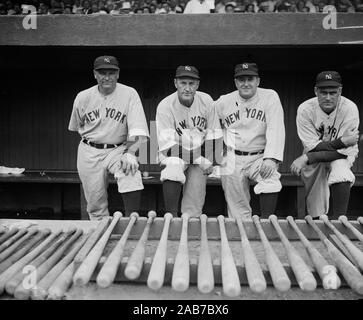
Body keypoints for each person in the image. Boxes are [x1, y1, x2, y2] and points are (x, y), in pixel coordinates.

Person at [68, 56, 149, 220]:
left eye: (111, 72)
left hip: (117, 149)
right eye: (102, 72)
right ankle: (99, 232)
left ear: (118, 74)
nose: (107, 77)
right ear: (94, 74)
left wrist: (130, 152)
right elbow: (76, 126)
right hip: (89, 150)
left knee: (131, 173)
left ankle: (131, 222)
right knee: (95, 202)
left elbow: (138, 127)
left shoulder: (129, 93)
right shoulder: (83, 97)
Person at [214, 63, 285, 220]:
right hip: (233, 157)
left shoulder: (270, 96)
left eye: (250, 79)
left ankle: (267, 223)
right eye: (241, 79)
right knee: (238, 210)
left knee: (270, 179)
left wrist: (271, 158)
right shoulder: (224, 101)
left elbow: (276, 128)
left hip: (260, 157)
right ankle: (241, 232)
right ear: (235, 82)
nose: (246, 83)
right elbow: (209, 121)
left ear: (258, 81)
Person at [156, 65, 223, 217]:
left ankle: (190, 224)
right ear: (175, 83)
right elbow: (167, 146)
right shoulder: (165, 106)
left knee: (195, 195)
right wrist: (199, 159)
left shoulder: (206, 101)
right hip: (174, 152)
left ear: (197, 85)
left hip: (201, 152)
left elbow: (215, 135)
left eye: (191, 83)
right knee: (172, 168)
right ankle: (170, 218)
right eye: (183, 83)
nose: (187, 88)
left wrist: (207, 159)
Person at [291, 71, 359, 218]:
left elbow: (343, 152)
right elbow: (312, 147)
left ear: (340, 91)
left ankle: (340, 221)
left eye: (333, 93)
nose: (328, 97)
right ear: (316, 91)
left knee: (341, 169)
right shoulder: (305, 109)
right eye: (323, 92)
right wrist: (341, 142)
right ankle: (317, 220)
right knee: (314, 170)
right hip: (315, 154)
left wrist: (306, 158)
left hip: (340, 155)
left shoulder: (349, 108)